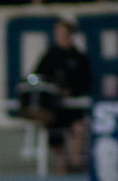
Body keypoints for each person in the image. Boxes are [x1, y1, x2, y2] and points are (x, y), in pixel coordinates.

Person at [33, 19, 91, 173]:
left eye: (61, 31)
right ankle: (61, 175)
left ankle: (76, 167)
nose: (57, 35)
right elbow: (35, 76)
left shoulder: (78, 57)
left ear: (69, 34)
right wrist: (34, 82)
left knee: (77, 131)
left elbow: (87, 81)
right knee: (57, 146)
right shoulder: (50, 56)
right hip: (55, 107)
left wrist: (71, 91)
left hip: (73, 107)